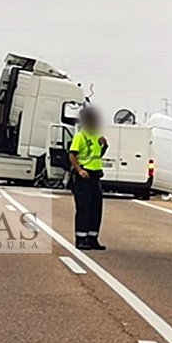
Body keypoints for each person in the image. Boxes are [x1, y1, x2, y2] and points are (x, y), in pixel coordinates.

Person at [69, 107, 109, 251]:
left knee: (96, 208)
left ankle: (93, 238)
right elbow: (72, 155)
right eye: (93, 120)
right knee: (84, 208)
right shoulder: (81, 136)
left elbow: (98, 155)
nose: (96, 122)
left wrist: (104, 146)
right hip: (84, 177)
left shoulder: (97, 136)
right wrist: (80, 170)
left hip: (96, 176)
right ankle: (81, 238)